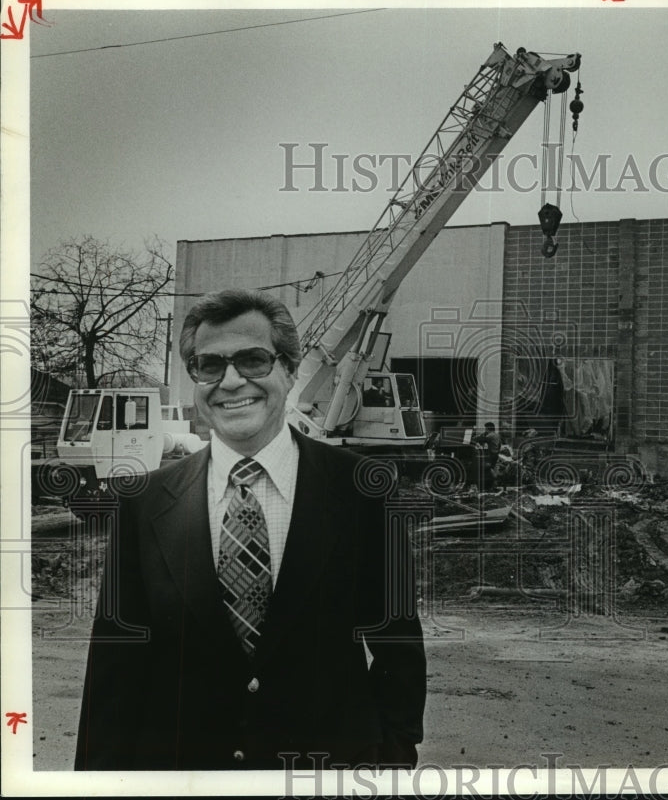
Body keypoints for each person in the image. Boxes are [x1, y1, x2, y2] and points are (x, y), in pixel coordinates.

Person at [75, 289, 426, 771]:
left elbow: (398, 651)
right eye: (209, 365)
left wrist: (391, 763)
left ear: (290, 369)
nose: (231, 381)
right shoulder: (145, 503)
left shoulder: (363, 492)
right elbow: (115, 674)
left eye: (253, 360)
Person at [473, 421, 502, 490]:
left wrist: (477, 435)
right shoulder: (497, 435)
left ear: (488, 429)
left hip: (491, 455)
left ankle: (486, 484)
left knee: (482, 467)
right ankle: (493, 484)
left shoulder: (490, 435)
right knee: (492, 468)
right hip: (496, 454)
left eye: (485, 428)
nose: (485, 430)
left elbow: (478, 439)